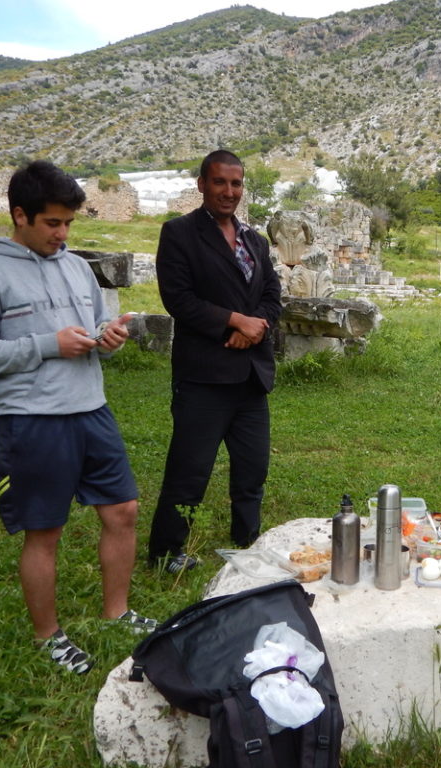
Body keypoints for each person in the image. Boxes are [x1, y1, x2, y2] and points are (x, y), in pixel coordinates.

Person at [0, 160, 155, 675]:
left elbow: (92, 328)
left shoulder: (76, 267)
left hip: (92, 409)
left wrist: (108, 337)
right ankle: (49, 636)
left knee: (123, 511)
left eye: (68, 223)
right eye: (52, 223)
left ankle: (117, 613)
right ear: (20, 215)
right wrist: (48, 344)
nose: (62, 234)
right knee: (44, 531)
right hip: (32, 420)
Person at [148, 150, 282, 574]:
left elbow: (272, 295)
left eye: (236, 183)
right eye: (220, 182)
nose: (229, 191)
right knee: (189, 470)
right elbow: (179, 299)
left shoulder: (254, 241)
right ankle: (166, 552)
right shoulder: (180, 233)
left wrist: (255, 327)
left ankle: (247, 541)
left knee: (252, 469)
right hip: (204, 376)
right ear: (202, 184)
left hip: (250, 376)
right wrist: (233, 321)